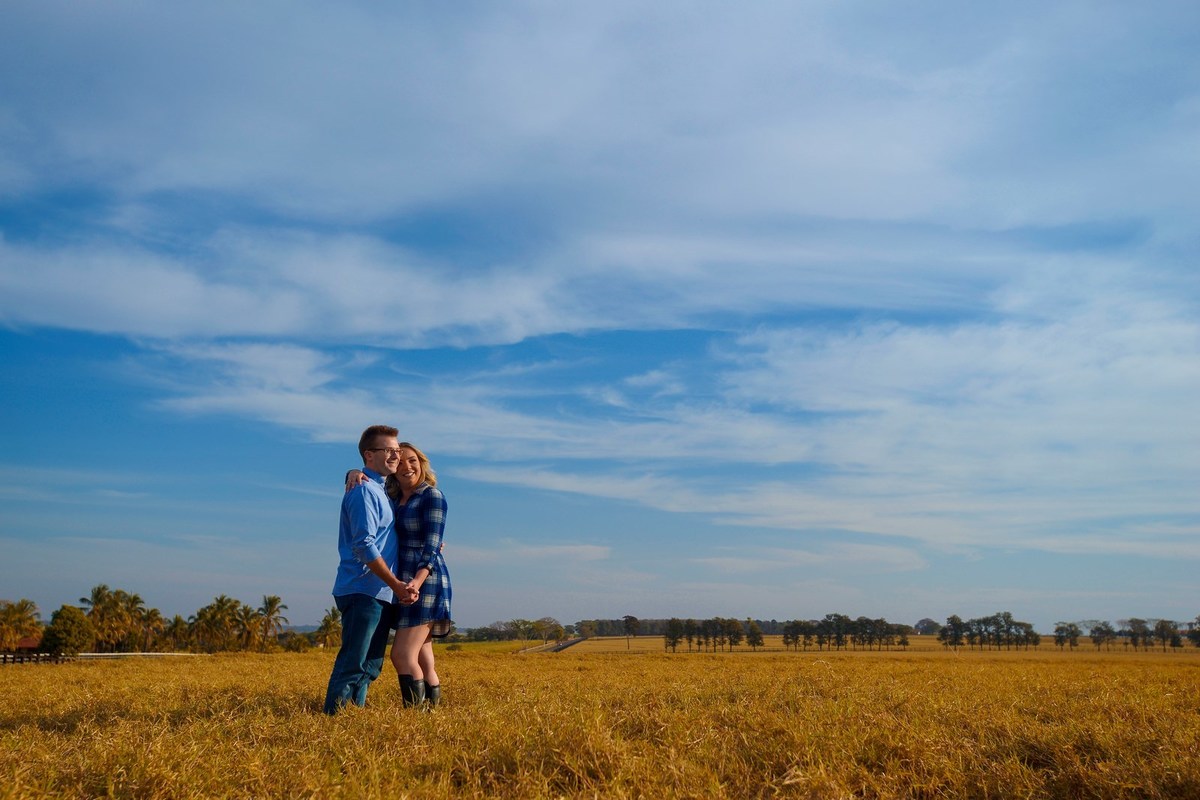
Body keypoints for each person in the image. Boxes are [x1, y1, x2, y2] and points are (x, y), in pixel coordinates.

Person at [347, 441, 451, 708]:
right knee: (423, 653)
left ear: (422, 463)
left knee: (402, 655)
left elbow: (432, 545)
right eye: (401, 462)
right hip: (401, 579)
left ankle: (415, 717)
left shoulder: (431, 496)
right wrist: (352, 472)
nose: (407, 467)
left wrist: (415, 582)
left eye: (413, 460)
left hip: (424, 579)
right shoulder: (392, 498)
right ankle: (433, 715)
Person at [323, 425, 416, 715]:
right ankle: (333, 721)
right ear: (369, 454)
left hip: (380, 592)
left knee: (370, 665)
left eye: (397, 450)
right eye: (388, 450)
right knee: (354, 662)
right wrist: (396, 583)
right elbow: (363, 546)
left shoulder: (380, 489)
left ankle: (353, 716)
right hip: (363, 589)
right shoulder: (364, 491)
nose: (395, 455)